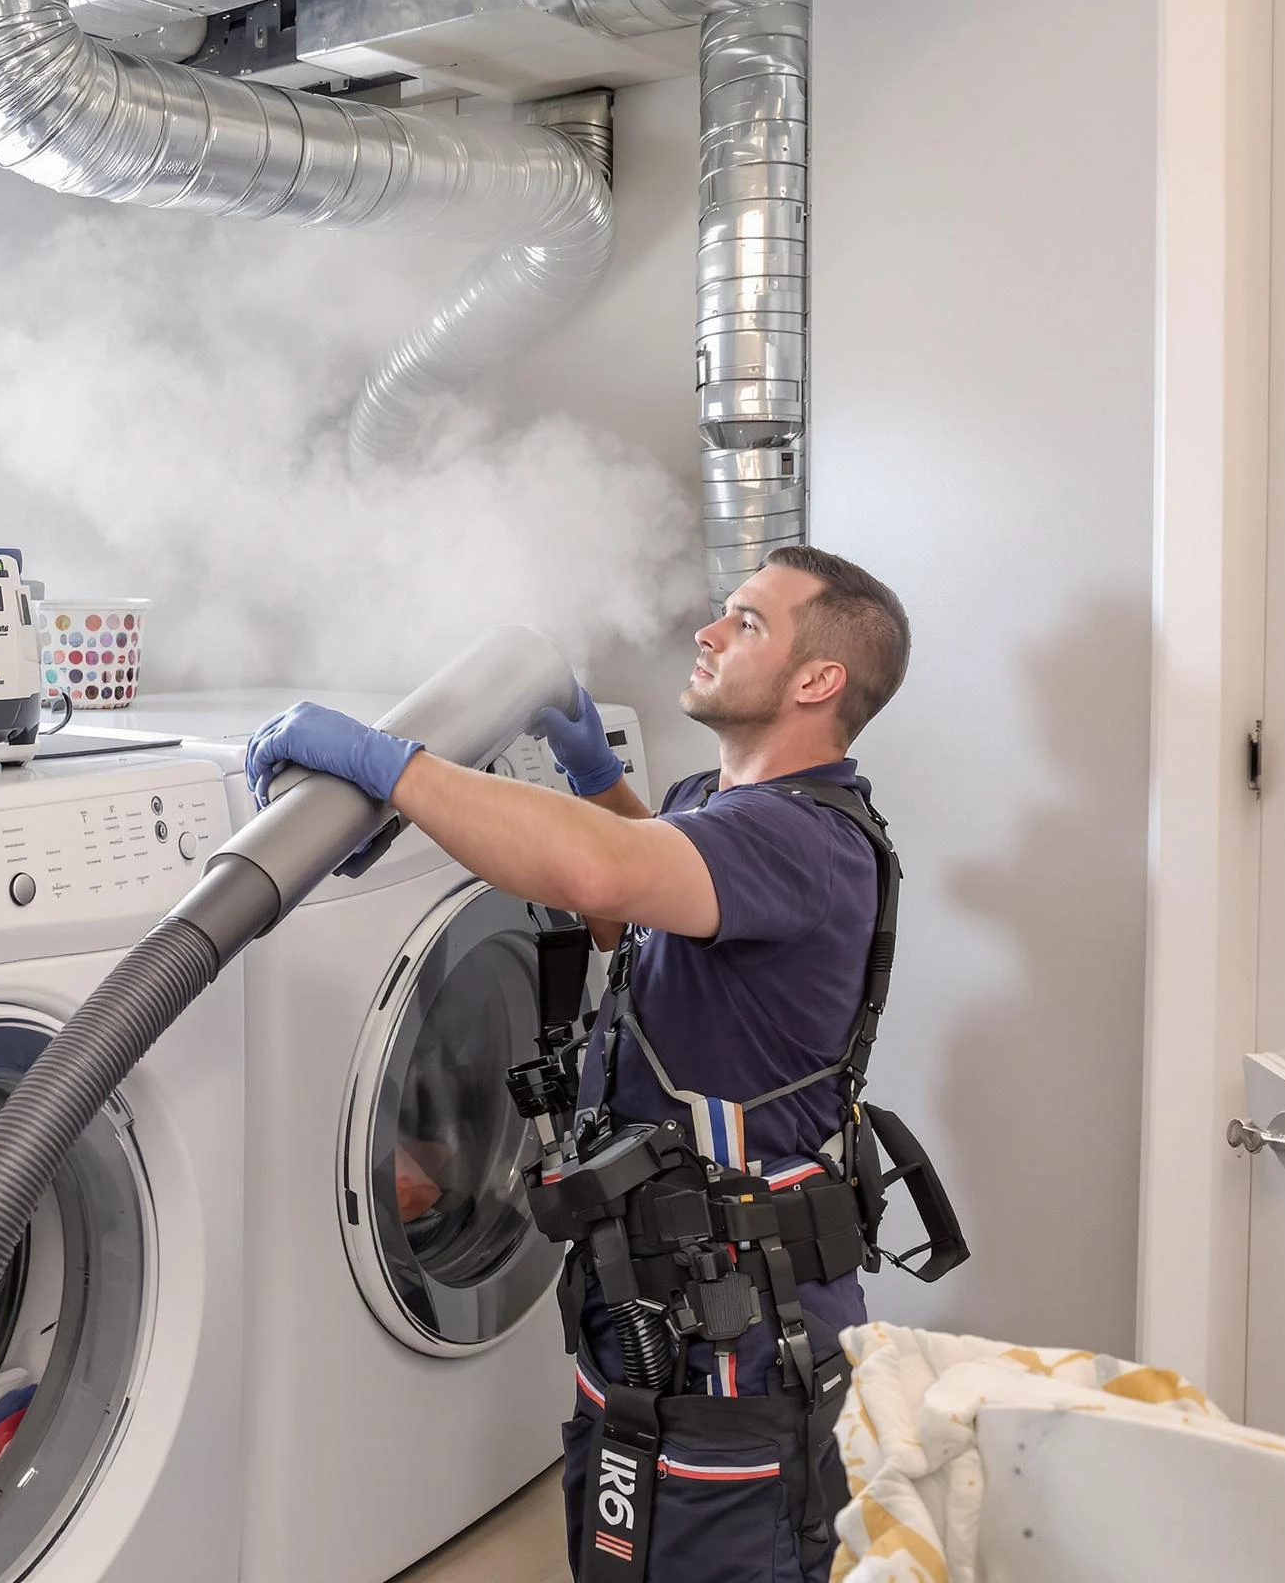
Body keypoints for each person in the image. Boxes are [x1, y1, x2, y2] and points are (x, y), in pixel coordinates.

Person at [244, 544, 917, 1583]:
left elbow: (598, 869)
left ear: (815, 680)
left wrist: (391, 765)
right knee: (624, 1548)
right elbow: (627, 904)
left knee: (707, 1550)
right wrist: (593, 772)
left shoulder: (803, 838)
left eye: (744, 622)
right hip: (654, 1295)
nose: (706, 632)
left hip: (735, 1324)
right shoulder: (721, 803)